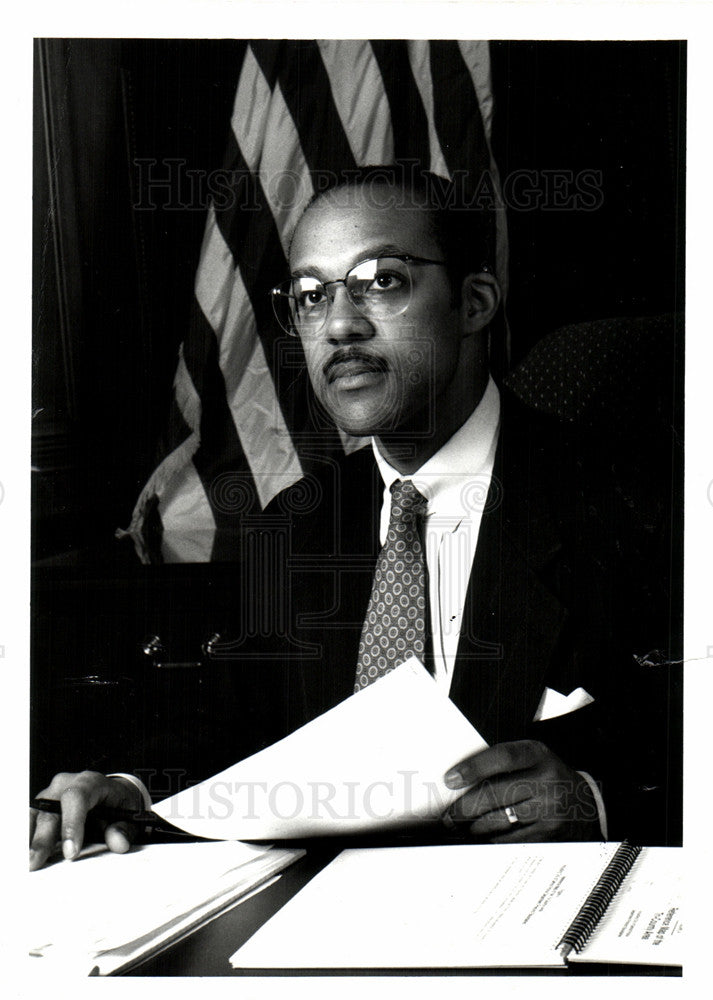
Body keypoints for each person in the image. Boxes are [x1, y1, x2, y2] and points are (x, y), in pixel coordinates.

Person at [30, 167, 676, 871]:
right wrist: (126, 784)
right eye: (310, 297)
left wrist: (598, 800)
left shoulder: (638, 505)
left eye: (382, 280)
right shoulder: (296, 527)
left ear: (474, 301)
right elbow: (236, 720)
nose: (338, 325)